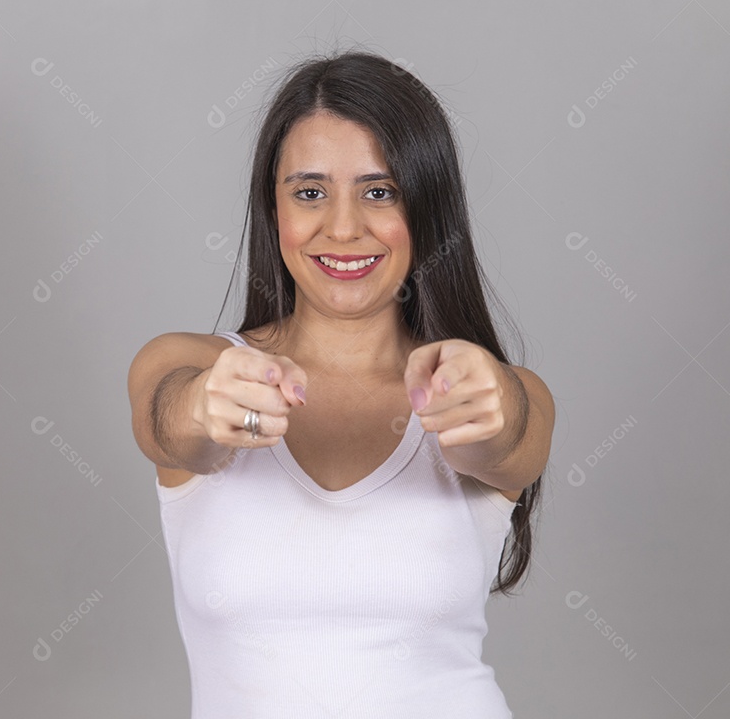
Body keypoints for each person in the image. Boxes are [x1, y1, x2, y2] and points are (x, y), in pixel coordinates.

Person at [128, 48, 555, 718]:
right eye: (309, 192)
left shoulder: (490, 392)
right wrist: (205, 408)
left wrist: (488, 401)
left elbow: (506, 436)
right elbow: (171, 424)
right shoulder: (186, 363)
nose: (345, 227)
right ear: (274, 211)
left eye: (379, 191)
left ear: (427, 208)